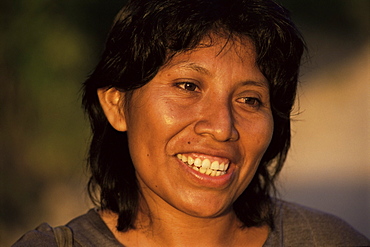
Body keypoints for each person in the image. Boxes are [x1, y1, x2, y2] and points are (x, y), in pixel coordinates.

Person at [13, 0, 369, 246]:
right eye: (188, 86)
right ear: (117, 105)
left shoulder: (329, 239)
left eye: (249, 100)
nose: (221, 126)